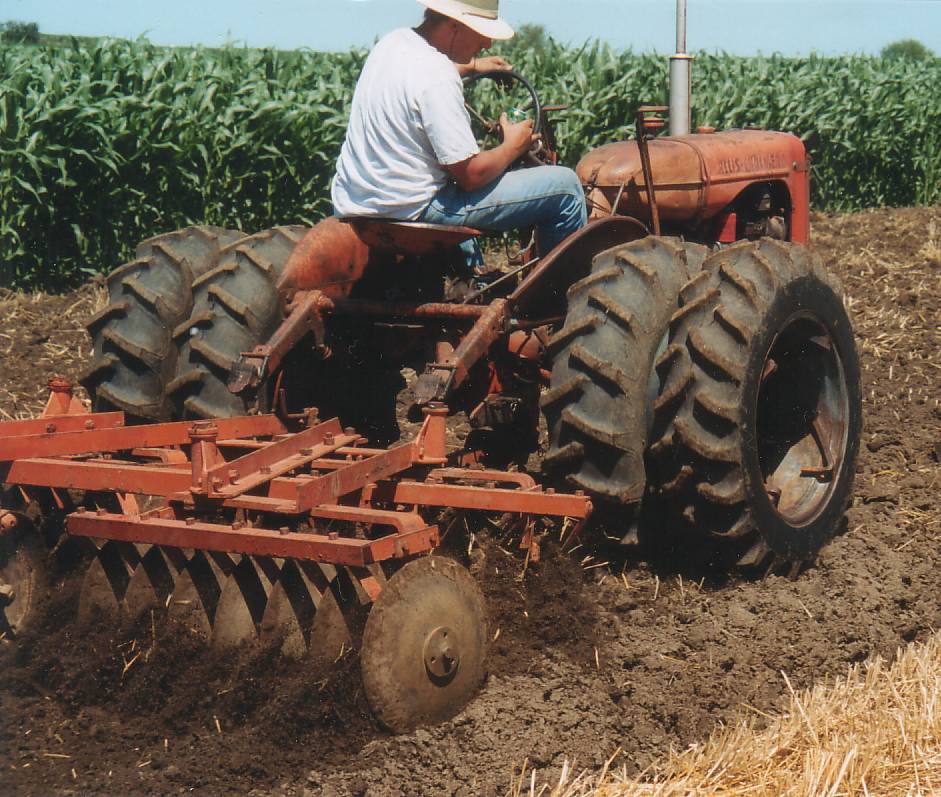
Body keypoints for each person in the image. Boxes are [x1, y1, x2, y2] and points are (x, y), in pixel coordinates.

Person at [331, 0, 587, 260]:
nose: (487, 44)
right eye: (481, 32)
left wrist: (474, 65)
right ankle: (554, 297)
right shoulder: (438, 76)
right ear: (454, 26)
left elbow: (419, 76)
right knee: (565, 186)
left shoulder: (392, 43)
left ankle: (468, 272)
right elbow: (471, 175)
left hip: (361, 204)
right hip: (414, 208)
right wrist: (514, 145)